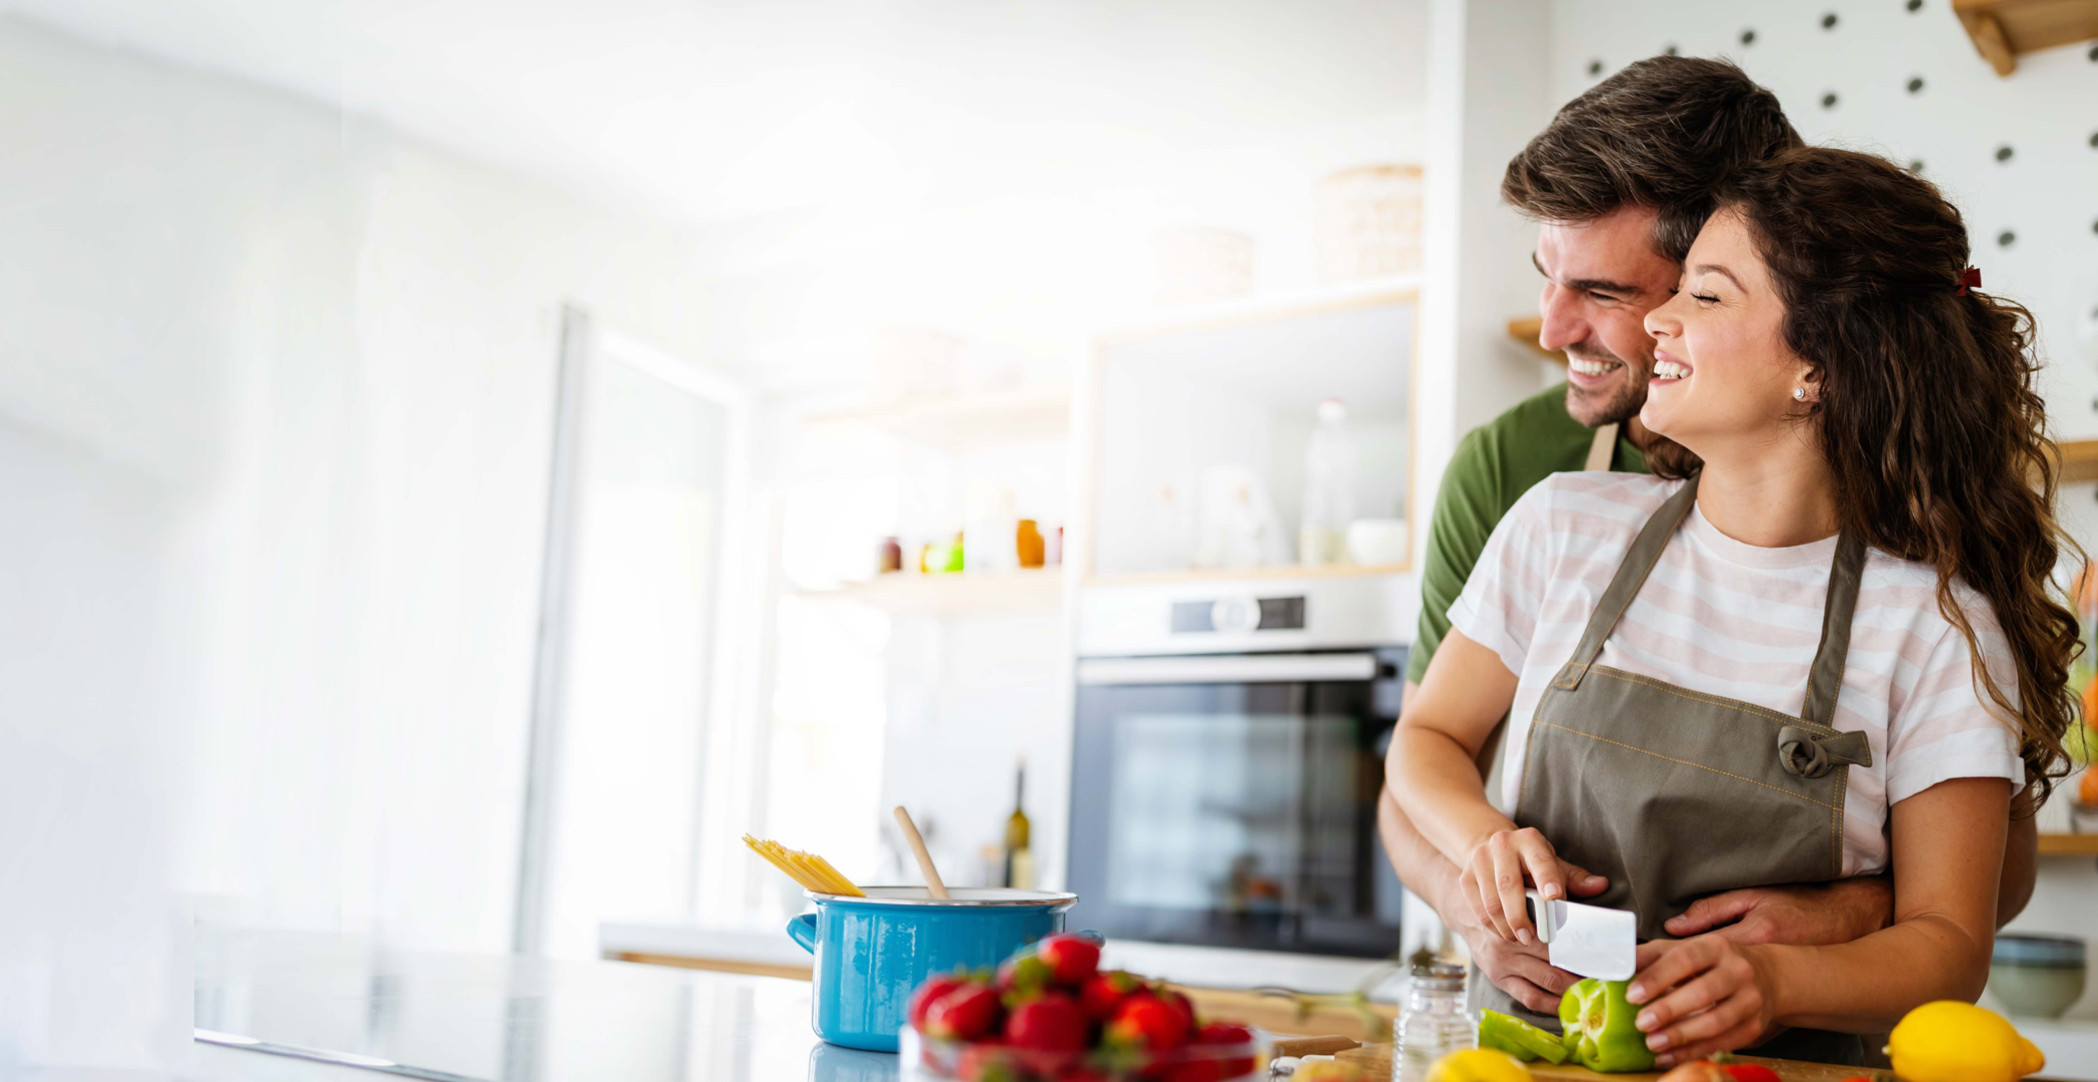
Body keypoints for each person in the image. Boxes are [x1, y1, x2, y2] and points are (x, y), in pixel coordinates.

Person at [1387, 144, 2080, 1065]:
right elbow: (1425, 742)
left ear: (1822, 369)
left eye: (1705, 295)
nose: (1659, 321)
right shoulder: (1560, 526)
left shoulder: (1935, 623)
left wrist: (1780, 983)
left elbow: (1949, 943)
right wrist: (1483, 844)